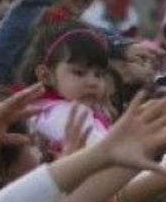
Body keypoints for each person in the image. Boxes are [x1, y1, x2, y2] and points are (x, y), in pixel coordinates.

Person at [19, 16, 112, 152]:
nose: (93, 83)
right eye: (79, 72)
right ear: (46, 75)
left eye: (99, 75)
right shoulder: (64, 114)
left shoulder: (45, 108)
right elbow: (108, 154)